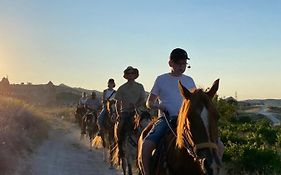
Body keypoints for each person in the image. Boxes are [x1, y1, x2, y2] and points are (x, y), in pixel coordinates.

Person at [140, 48, 197, 175]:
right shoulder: (161, 79)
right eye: (178, 64)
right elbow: (149, 103)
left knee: (217, 144)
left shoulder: (189, 80)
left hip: (186, 119)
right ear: (170, 63)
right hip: (166, 119)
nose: (181, 67)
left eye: (184, 64)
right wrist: (160, 107)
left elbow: (195, 101)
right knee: (147, 144)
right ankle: (146, 172)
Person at [115, 66, 146, 157]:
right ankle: (120, 148)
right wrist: (118, 113)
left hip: (138, 111)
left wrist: (136, 106)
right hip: (125, 112)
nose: (131, 75)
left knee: (147, 124)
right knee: (120, 127)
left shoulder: (140, 86)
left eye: (132, 73)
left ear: (135, 75)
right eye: (128, 73)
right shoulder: (121, 88)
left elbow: (142, 99)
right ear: (125, 75)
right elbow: (118, 102)